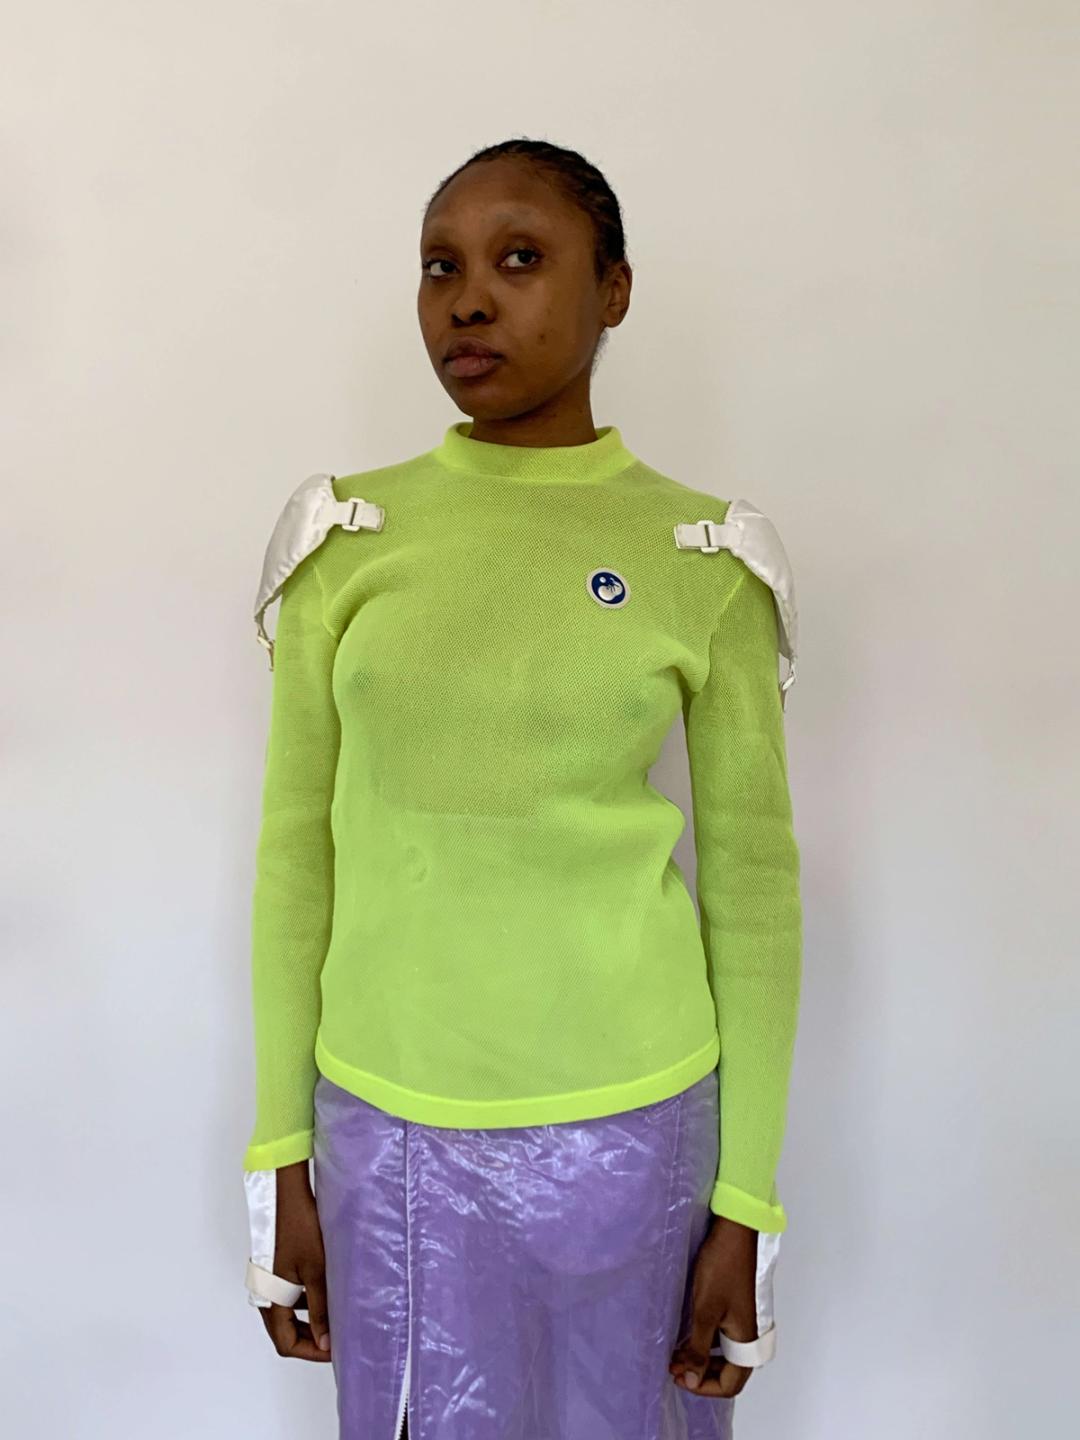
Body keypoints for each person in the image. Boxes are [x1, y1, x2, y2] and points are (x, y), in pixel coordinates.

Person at [240, 137, 803, 1440]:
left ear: (614, 289)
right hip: (385, 1129)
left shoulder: (703, 559)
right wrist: (278, 1156)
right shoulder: (345, 541)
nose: (469, 301)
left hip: (632, 1135)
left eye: (520, 259)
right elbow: (293, 857)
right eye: (441, 268)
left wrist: (747, 1205)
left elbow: (757, 892)